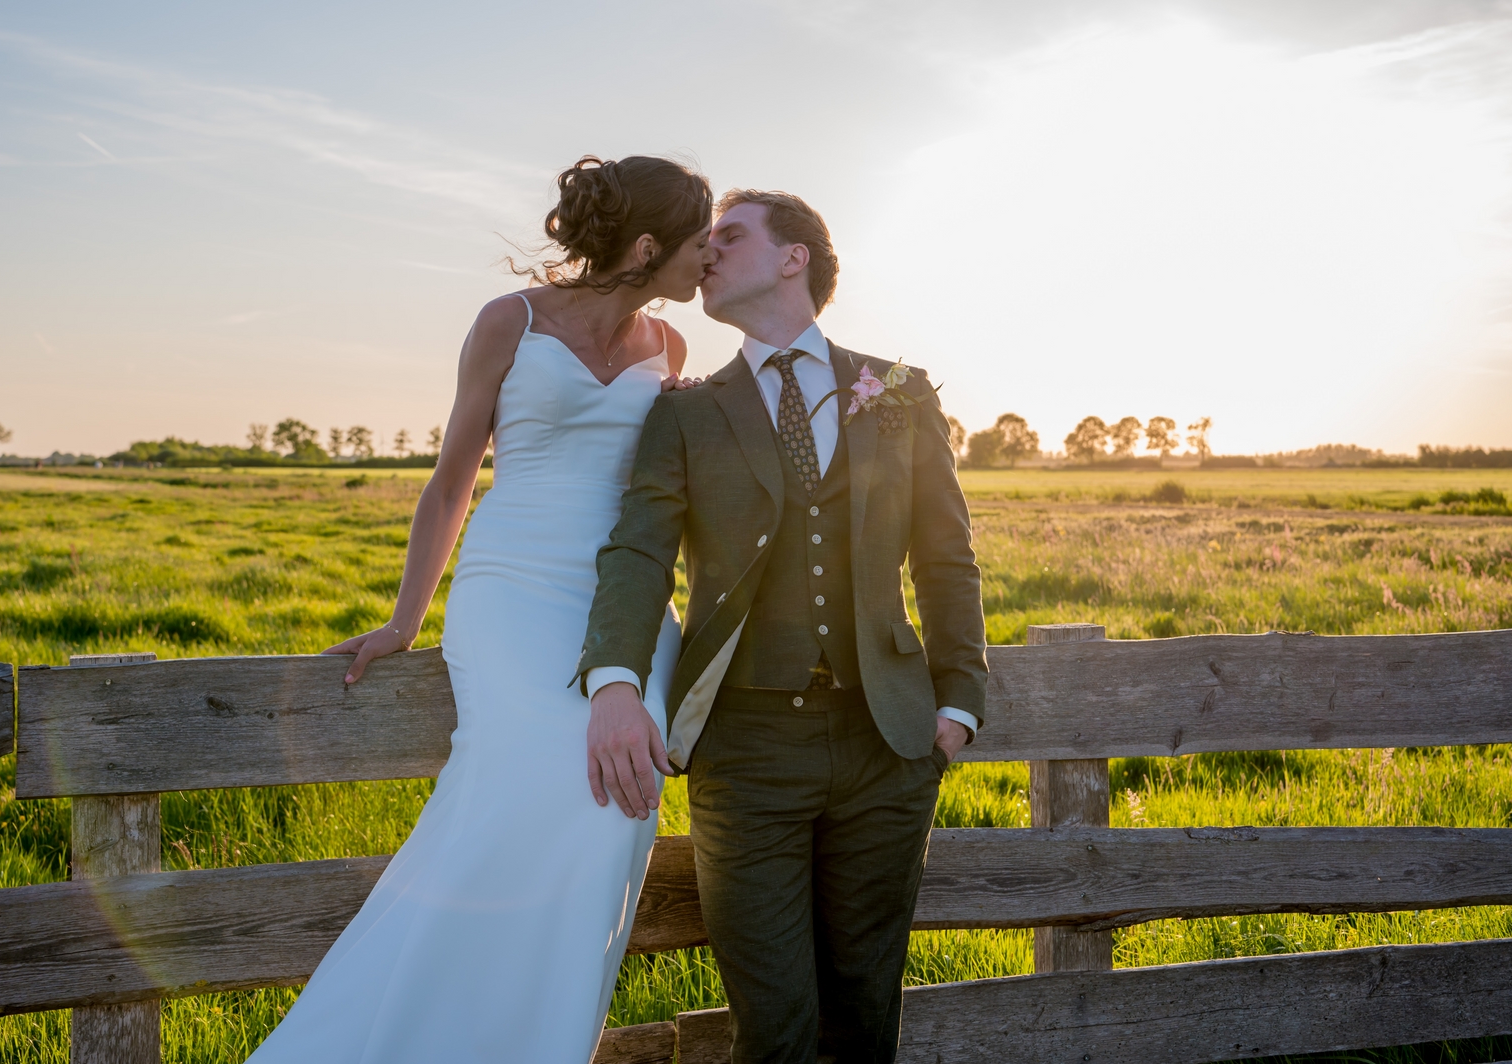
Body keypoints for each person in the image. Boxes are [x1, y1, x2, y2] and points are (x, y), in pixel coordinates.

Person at [244, 155, 714, 1064]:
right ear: (650, 245)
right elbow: (453, 475)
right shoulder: (511, 323)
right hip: (511, 590)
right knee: (528, 791)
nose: (709, 261)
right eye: (698, 244)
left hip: (625, 609)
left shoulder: (673, 348)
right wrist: (404, 618)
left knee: (614, 814)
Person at [578, 189, 987, 1063]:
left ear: (794, 257)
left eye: (729, 235)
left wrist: (959, 707)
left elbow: (946, 557)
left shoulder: (900, 393)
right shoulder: (684, 411)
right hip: (746, 751)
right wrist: (613, 681)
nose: (707, 252)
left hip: (890, 744)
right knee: (774, 1026)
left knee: (865, 1015)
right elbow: (638, 555)